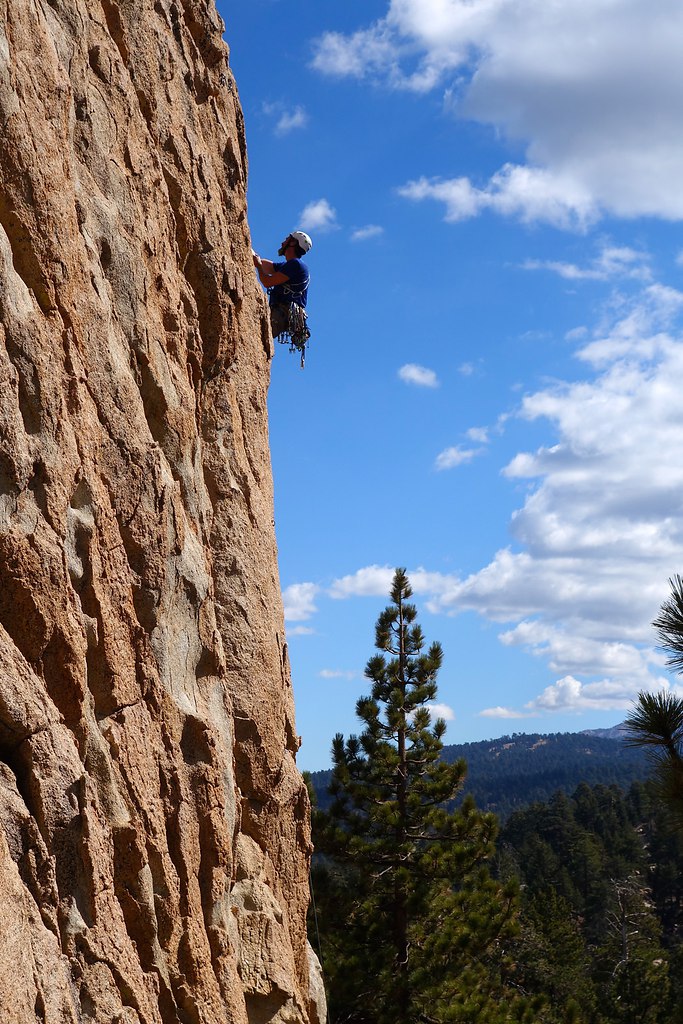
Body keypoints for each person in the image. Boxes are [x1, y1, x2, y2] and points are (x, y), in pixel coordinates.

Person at [252, 230, 312, 340]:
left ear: (293, 243)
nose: (283, 242)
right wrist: (251, 254)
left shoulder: (296, 265)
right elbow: (268, 266)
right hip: (282, 312)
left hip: (282, 312)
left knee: (257, 337)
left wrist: (259, 267)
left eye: (287, 239)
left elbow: (267, 282)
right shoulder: (289, 265)